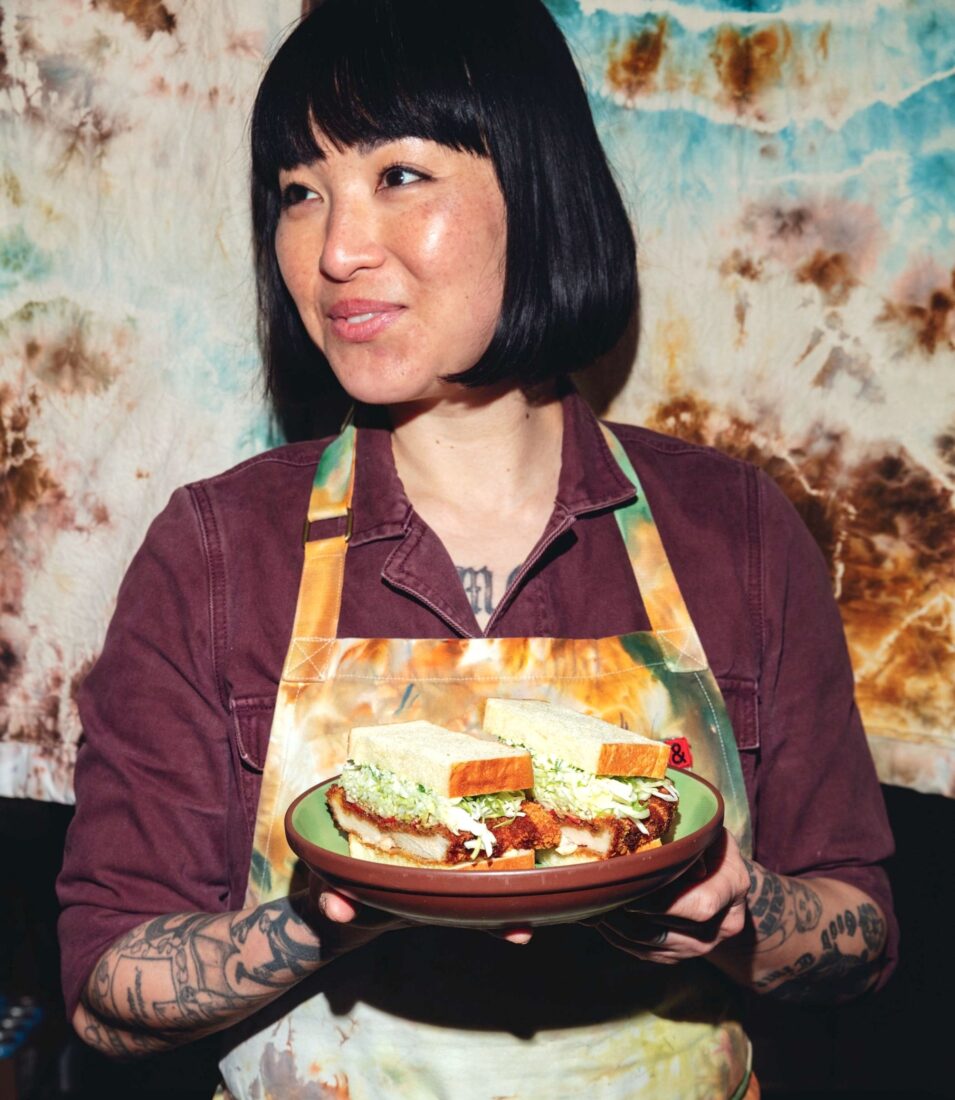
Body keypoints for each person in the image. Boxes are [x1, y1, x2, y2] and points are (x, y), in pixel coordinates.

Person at [57, 1, 896, 1097]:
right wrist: (319, 919)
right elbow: (102, 996)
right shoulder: (218, 551)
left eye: (400, 175)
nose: (338, 249)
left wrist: (736, 911)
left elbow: (865, 939)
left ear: (537, 192)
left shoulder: (730, 529)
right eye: (300, 193)